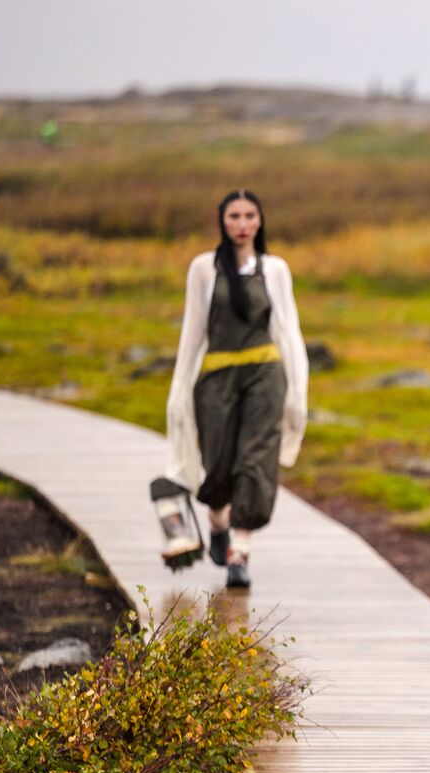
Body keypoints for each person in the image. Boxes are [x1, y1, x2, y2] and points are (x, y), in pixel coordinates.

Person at [166, 190, 309, 589]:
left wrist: (298, 392)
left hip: (265, 375)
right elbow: (193, 333)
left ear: (260, 221)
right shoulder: (203, 269)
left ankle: (239, 552)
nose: (242, 223)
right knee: (218, 464)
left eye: (249, 215)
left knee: (256, 460)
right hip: (216, 377)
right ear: (222, 221)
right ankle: (218, 523)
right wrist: (179, 390)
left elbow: (289, 332)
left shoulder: (274, 269)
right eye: (234, 216)